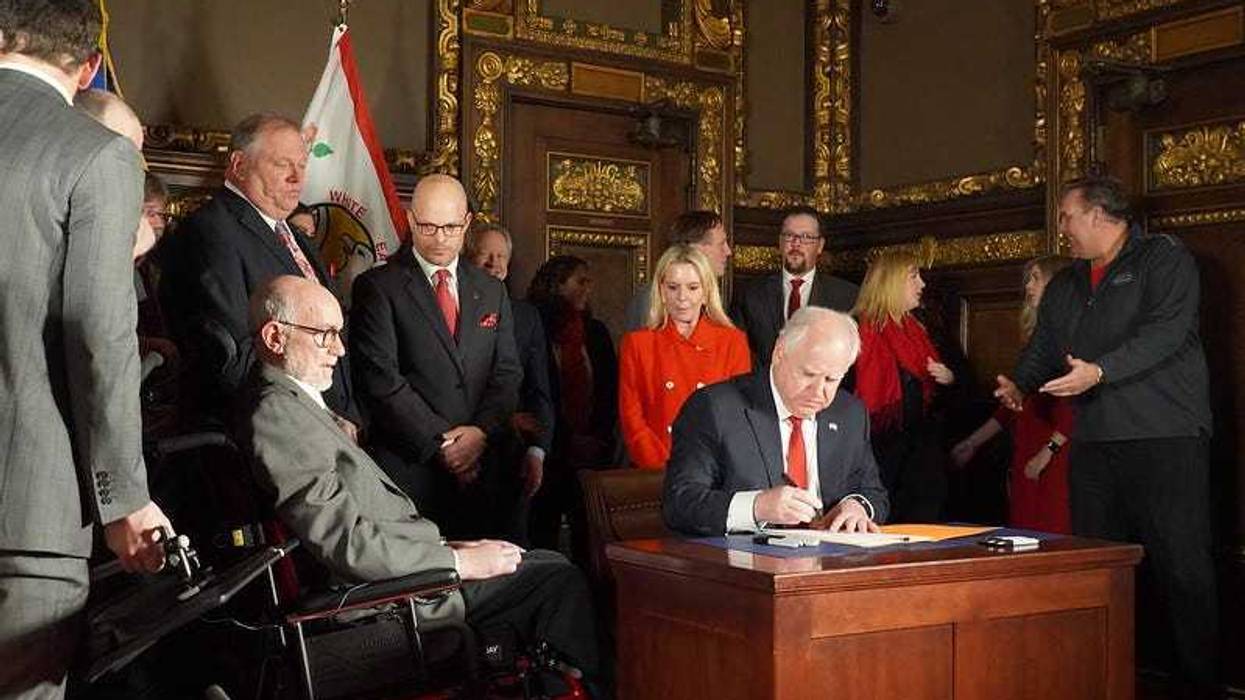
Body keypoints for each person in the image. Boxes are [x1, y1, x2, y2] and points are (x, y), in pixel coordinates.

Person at [238, 275, 600, 684]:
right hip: (389, 602)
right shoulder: (278, 414)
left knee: (545, 560)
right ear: (274, 336)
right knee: (558, 579)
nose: (339, 350)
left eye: (339, 334)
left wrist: (453, 547)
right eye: (325, 335)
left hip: (413, 574)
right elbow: (346, 544)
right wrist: (458, 563)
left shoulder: (297, 405)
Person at [0, 2, 172, 696]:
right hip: (27, 514)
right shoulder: (95, 152)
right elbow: (97, 336)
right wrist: (124, 498)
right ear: (89, 66)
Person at [995, 176, 1217, 692]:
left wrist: (1100, 371)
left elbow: (1166, 332)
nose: (1062, 228)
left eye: (1067, 216)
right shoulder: (1069, 283)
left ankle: (1198, 686)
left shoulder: (1163, 259)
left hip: (1166, 438)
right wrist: (1021, 385)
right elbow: (1046, 344)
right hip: (1094, 444)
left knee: (1182, 570)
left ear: (1099, 215)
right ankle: (1111, 680)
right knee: (1101, 568)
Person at [157, 113, 358, 429]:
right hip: (269, 433)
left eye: (302, 165)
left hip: (326, 428)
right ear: (238, 165)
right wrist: (317, 420)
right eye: (282, 165)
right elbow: (232, 352)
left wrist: (346, 416)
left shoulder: (289, 232)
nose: (297, 178)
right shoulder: (211, 231)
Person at [350, 175, 523, 541]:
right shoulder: (377, 288)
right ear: (411, 221)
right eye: (428, 226)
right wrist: (442, 445)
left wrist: (479, 434)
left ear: (467, 223)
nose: (440, 238)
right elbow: (382, 380)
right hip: (411, 473)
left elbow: (507, 373)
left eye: (450, 227)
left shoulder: (491, 290)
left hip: (487, 469)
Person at [663, 307, 889, 536]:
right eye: (808, 375)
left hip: (828, 561)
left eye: (831, 379)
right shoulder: (715, 408)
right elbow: (680, 503)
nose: (818, 392)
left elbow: (874, 494)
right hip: (742, 562)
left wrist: (856, 507)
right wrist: (756, 507)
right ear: (779, 353)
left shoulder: (849, 413)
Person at [951, 256, 1075, 533]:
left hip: (1057, 454)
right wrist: (973, 442)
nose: (1028, 286)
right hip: (1028, 447)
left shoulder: (1071, 334)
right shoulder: (1037, 338)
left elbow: (1076, 404)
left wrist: (1048, 452)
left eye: (1036, 278)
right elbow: (1012, 406)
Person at [618, 245, 751, 470]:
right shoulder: (638, 343)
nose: (682, 298)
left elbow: (738, 414)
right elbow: (631, 416)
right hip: (655, 470)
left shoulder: (732, 342)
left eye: (692, 288)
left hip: (713, 470)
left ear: (706, 292)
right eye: (673, 287)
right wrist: (659, 466)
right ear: (660, 291)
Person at [852, 251, 955, 522]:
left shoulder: (917, 330)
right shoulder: (857, 330)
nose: (922, 284)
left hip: (920, 455)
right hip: (877, 452)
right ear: (891, 281)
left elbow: (936, 399)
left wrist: (948, 379)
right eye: (913, 276)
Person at [526, 255, 618, 553]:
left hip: (592, 456)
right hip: (549, 454)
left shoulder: (597, 333)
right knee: (543, 537)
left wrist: (597, 439)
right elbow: (536, 391)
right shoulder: (533, 327)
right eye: (580, 280)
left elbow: (609, 393)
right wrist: (566, 440)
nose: (588, 288)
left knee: (589, 541)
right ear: (557, 284)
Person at [467, 222, 554, 507]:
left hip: (511, 460)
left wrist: (537, 452)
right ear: (468, 257)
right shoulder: (448, 309)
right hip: (458, 456)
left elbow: (540, 389)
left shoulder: (527, 317)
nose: (493, 264)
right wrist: (503, 418)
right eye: (485, 255)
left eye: (501, 256)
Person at [731, 205, 858, 366]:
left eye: (806, 237)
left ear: (820, 246)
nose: (796, 243)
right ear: (780, 242)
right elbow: (738, 356)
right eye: (789, 235)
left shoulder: (847, 297)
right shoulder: (750, 294)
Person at [624, 210, 732, 332]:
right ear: (695, 249)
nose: (728, 251)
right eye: (721, 244)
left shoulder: (711, 294)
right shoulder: (653, 299)